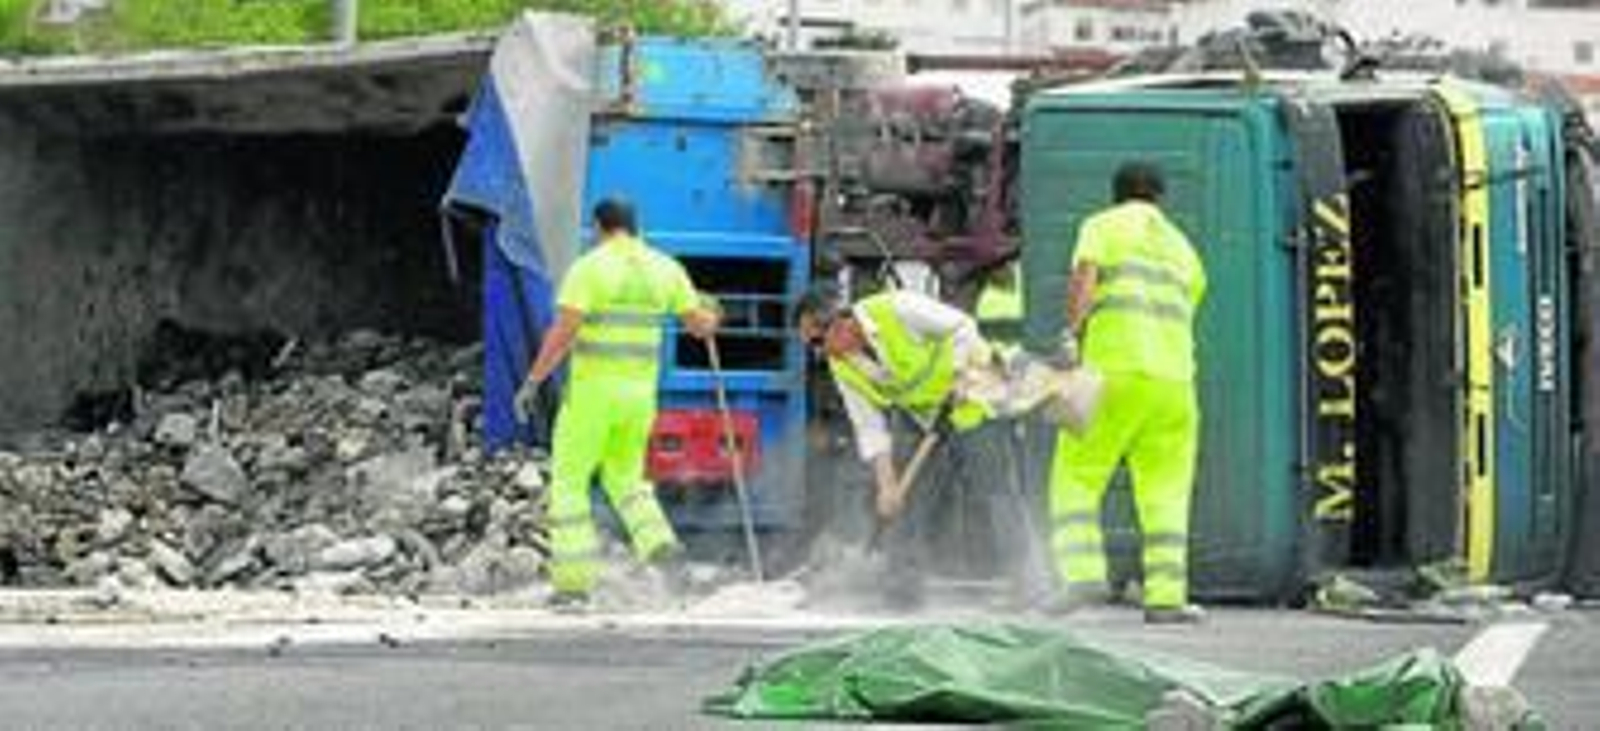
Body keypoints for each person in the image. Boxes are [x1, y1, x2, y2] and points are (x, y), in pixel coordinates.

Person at [796, 286, 1057, 611]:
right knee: (905, 503)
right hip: (920, 416)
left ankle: (1030, 585)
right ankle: (901, 593)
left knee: (997, 492)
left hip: (972, 399)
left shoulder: (898, 308)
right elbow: (869, 426)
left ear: (840, 323)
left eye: (817, 343)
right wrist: (887, 485)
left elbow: (962, 326)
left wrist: (960, 376)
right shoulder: (843, 365)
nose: (819, 354)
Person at [515, 197, 720, 610]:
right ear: (634, 225)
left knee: (570, 483)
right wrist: (714, 313)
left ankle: (572, 585)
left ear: (598, 226)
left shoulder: (589, 268)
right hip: (638, 397)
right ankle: (665, 555)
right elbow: (700, 325)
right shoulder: (665, 268)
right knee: (626, 481)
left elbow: (564, 331)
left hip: (592, 395)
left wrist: (533, 380)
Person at [1051, 161, 1208, 624]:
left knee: (1076, 473)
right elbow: (1189, 306)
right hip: (1176, 383)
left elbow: (1085, 275)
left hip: (1113, 371)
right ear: (1159, 197)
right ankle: (1166, 599)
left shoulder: (1102, 225)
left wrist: (1070, 333)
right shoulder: (1184, 248)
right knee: (1166, 492)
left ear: (1117, 193)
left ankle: (1081, 574)